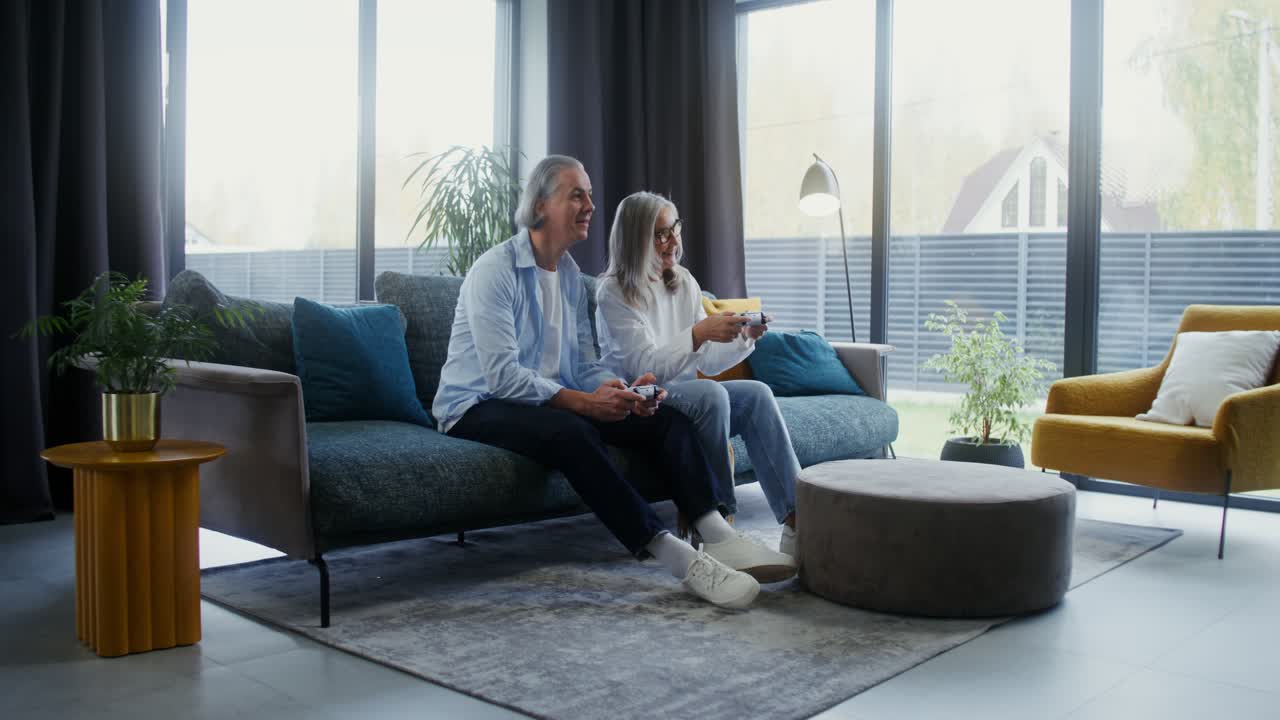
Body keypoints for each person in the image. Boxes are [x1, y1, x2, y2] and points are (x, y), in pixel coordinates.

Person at [433, 156, 787, 609]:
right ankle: (680, 559)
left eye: (590, 194)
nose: (590, 205)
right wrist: (585, 403)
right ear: (541, 205)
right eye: (576, 194)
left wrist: (622, 390)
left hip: (544, 398)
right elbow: (503, 376)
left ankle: (717, 533)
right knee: (573, 431)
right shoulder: (495, 271)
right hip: (477, 405)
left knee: (666, 418)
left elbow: (583, 363)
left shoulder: (566, 276)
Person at [594, 191, 804, 570]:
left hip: (687, 393)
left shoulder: (684, 282)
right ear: (635, 240)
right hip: (640, 399)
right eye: (660, 235)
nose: (673, 241)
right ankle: (721, 528)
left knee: (756, 394)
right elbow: (646, 365)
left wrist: (744, 340)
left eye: (674, 228)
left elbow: (705, 358)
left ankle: (797, 522)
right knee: (709, 395)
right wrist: (698, 333)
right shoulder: (613, 292)